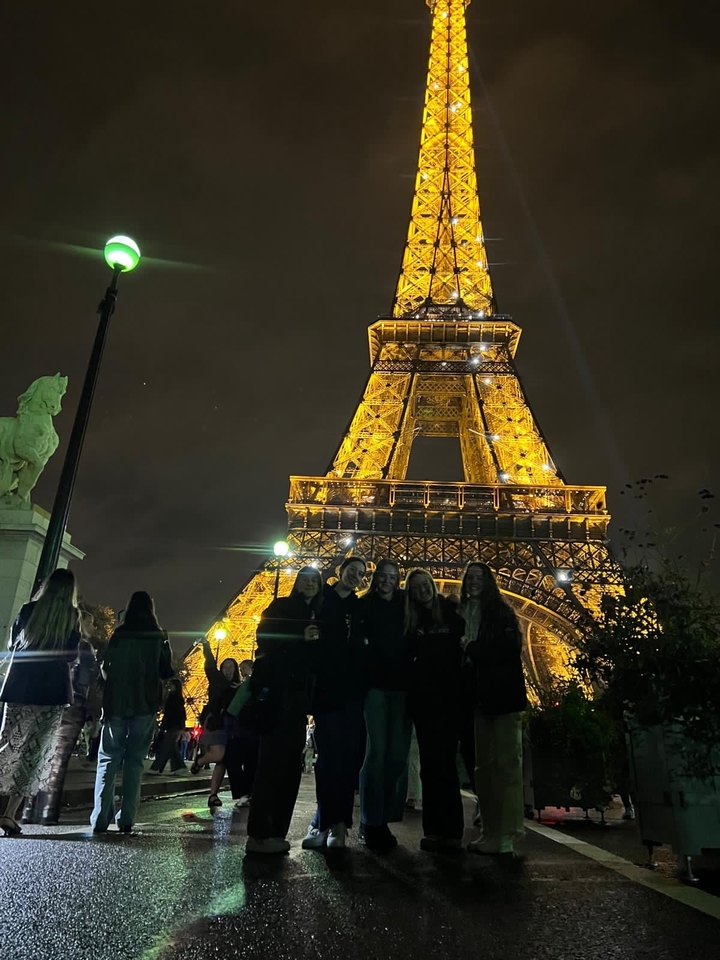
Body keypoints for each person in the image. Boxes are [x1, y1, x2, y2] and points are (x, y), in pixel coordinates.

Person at [244, 566, 323, 855]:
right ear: (297, 583)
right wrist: (299, 635)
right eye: (305, 580)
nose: (310, 584)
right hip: (278, 696)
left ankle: (276, 831)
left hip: (298, 700)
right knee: (272, 765)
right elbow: (264, 639)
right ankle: (259, 834)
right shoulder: (280, 606)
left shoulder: (320, 614)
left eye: (315, 581)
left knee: (289, 767)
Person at [0, 568, 82, 836]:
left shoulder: (27, 609)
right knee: (33, 754)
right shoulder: (72, 616)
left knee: (7, 743)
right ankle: (10, 814)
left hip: (20, 685)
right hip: (51, 691)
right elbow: (71, 656)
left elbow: (13, 644)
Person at [90, 591, 173, 834]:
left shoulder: (119, 634)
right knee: (134, 762)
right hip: (145, 706)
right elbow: (166, 671)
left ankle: (99, 818)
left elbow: (105, 668)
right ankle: (127, 817)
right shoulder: (159, 636)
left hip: (116, 704)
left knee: (107, 759)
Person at [461, 562, 528, 858]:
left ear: (489, 582)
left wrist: (471, 648)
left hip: (500, 699)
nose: (474, 582)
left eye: (479, 578)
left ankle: (505, 835)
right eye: (470, 578)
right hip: (477, 699)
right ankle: (490, 830)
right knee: (484, 768)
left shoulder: (502, 614)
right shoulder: (461, 612)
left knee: (504, 766)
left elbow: (505, 652)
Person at [302, 556, 368, 851]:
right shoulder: (321, 597)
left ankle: (338, 824)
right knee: (327, 760)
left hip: (351, 692)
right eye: (351, 570)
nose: (355, 576)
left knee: (346, 759)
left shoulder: (359, 607)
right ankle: (323, 821)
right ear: (340, 571)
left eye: (361, 574)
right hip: (327, 691)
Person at [404, 568, 465, 852]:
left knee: (446, 766)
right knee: (430, 767)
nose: (423, 590)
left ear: (432, 585)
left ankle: (451, 830)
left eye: (425, 585)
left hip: (449, 699)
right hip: (424, 701)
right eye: (416, 587)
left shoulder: (452, 611)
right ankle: (433, 830)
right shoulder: (411, 619)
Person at [22, 605, 99, 824]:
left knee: (39, 758)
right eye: (90, 622)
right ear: (81, 623)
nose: (93, 626)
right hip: (72, 705)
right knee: (58, 762)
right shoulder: (84, 647)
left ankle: (28, 811)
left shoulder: (58, 641)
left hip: (49, 701)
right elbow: (84, 680)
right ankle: (48, 812)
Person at [358, 559, 411, 850]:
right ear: (375, 577)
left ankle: (384, 817)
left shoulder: (407, 604)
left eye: (392, 576)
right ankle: (371, 820)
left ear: (398, 579)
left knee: (397, 757)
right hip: (375, 689)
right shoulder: (364, 606)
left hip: (402, 688)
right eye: (382, 575)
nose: (387, 580)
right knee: (377, 753)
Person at [191, 641, 240, 809]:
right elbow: (210, 663)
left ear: (235, 670)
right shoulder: (217, 679)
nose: (228, 669)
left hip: (231, 725)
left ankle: (213, 795)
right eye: (225, 666)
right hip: (216, 722)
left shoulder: (238, 687)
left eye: (231, 666)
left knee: (223, 761)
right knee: (219, 756)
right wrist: (206, 646)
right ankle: (199, 761)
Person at [224, 659, 259, 809]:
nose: (242, 670)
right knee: (249, 762)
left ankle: (245, 793)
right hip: (250, 729)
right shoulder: (246, 684)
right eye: (241, 668)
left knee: (236, 760)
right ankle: (248, 793)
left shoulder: (249, 684)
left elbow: (233, 709)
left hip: (244, 729)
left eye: (244, 667)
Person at [150, 678, 187, 775]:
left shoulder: (174, 698)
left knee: (166, 746)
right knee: (171, 746)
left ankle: (157, 767)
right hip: (173, 725)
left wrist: (164, 725)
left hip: (173, 725)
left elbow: (171, 714)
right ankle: (179, 767)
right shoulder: (176, 698)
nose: (170, 687)